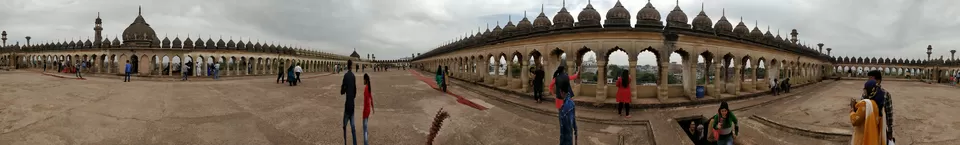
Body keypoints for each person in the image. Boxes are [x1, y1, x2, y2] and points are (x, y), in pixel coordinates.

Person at [864, 70, 894, 144]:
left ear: (878, 80)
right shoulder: (885, 94)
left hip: (872, 126)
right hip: (878, 126)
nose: (869, 80)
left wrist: (890, 130)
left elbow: (889, 115)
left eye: (871, 78)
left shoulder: (885, 94)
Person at [556, 65, 577, 145]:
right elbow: (573, 77)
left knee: (563, 123)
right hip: (567, 100)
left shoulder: (556, 78)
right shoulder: (572, 103)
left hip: (559, 100)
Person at [340, 60, 358, 145]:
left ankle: (345, 143)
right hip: (352, 105)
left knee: (344, 126)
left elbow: (342, 91)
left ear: (347, 66)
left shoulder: (346, 76)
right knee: (353, 127)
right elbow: (355, 91)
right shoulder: (353, 76)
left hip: (347, 106)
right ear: (352, 66)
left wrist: (343, 88)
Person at [362, 73, 374, 145]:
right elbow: (371, 98)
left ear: (365, 80)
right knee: (366, 128)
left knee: (365, 130)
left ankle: (366, 143)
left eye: (363, 79)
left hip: (366, 111)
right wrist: (373, 108)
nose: (363, 81)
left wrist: (364, 112)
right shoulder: (368, 87)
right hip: (368, 110)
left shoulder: (366, 88)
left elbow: (366, 101)